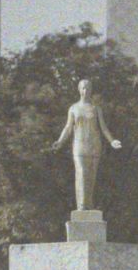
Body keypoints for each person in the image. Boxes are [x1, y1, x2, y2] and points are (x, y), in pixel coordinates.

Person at [48, 79, 122, 211]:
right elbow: (68, 127)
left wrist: (112, 141)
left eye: (88, 88)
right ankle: (82, 205)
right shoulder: (73, 108)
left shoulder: (96, 109)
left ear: (91, 90)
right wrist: (60, 141)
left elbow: (103, 127)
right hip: (79, 145)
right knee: (81, 172)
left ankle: (89, 203)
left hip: (94, 145)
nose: (85, 90)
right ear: (79, 90)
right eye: (83, 88)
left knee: (91, 176)